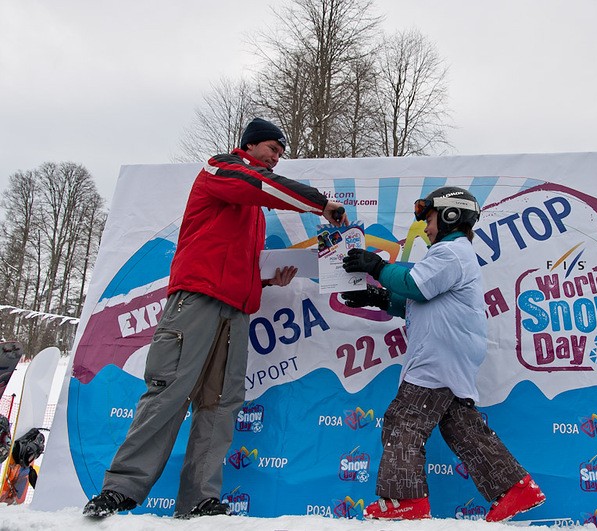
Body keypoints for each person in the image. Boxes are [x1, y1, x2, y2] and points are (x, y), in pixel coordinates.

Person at [83, 118, 348, 519]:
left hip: (236, 310)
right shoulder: (221, 168)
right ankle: (120, 489)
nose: (276, 158)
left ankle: (199, 499)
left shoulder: (253, 212)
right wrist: (321, 204)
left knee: (221, 403)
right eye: (272, 149)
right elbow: (260, 186)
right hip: (197, 300)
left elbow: (232, 254)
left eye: (280, 153)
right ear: (251, 145)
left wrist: (265, 278)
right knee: (170, 390)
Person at [341, 186, 545, 522]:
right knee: (460, 427)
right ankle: (515, 489)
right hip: (450, 355)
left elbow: (416, 285)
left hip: (439, 357)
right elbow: (419, 302)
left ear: (451, 216)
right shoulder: (453, 255)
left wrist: (377, 267)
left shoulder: (450, 253)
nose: (426, 226)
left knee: (404, 419)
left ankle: (406, 501)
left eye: (430, 218)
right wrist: (379, 299)